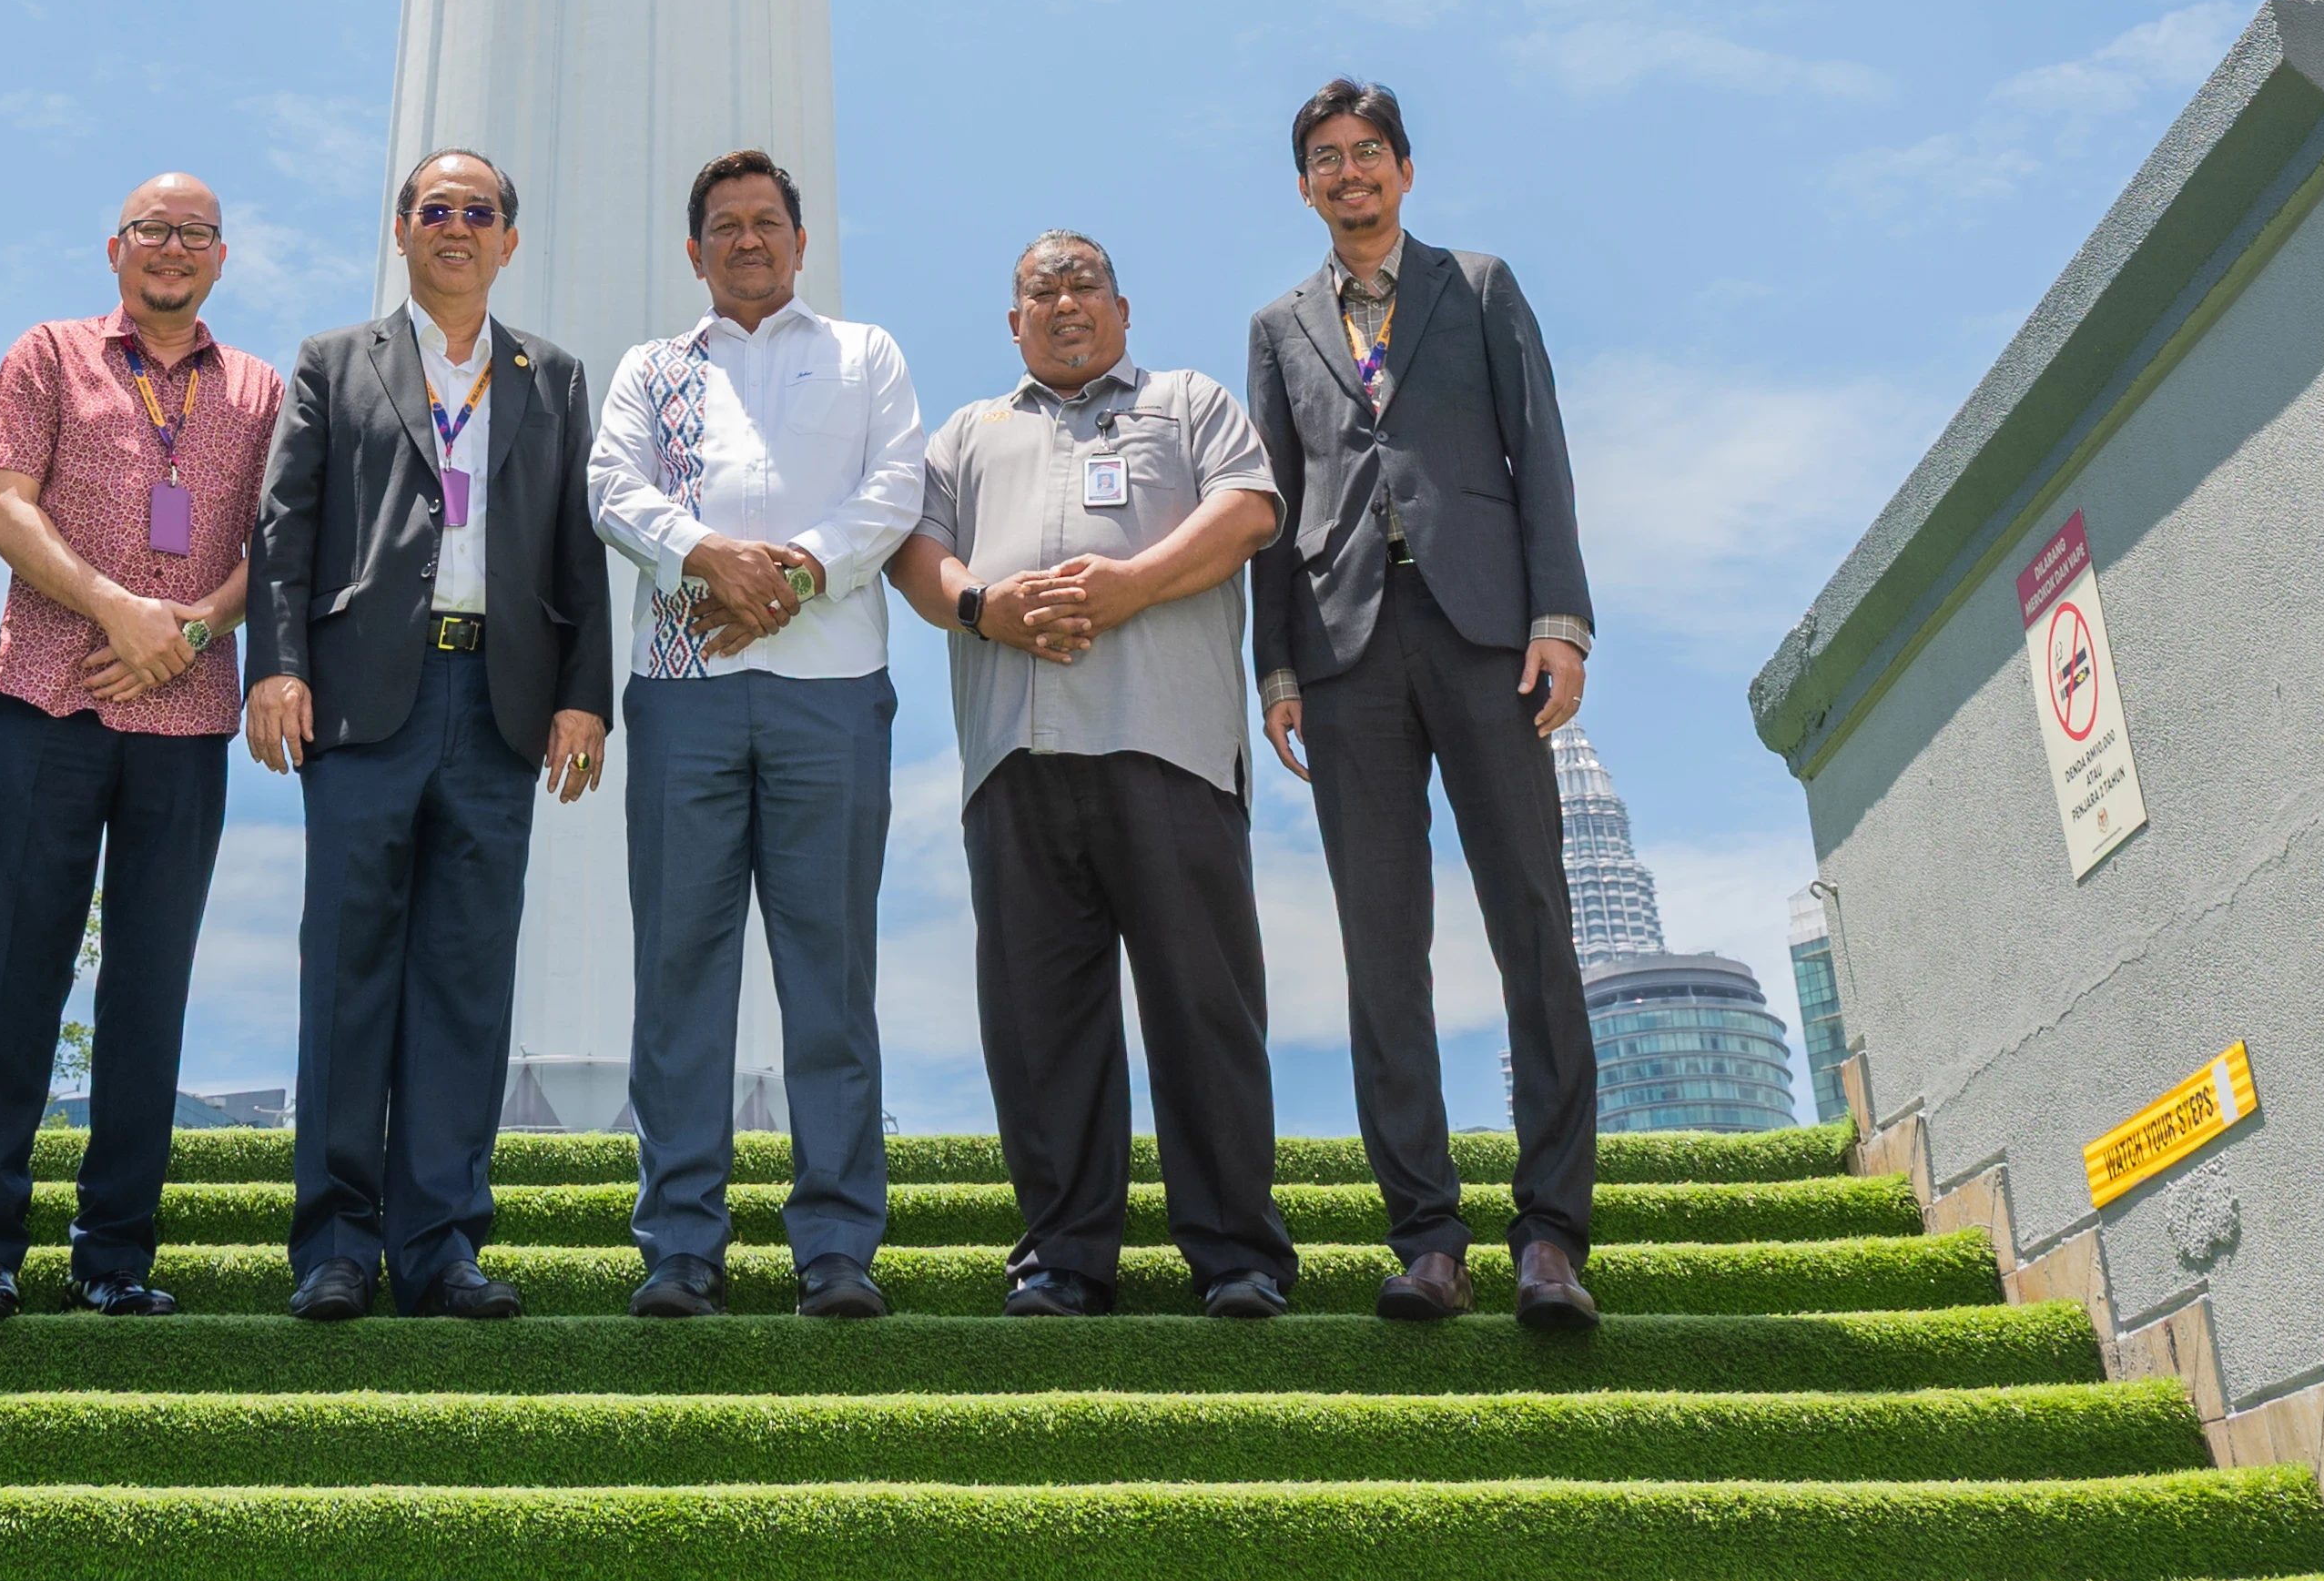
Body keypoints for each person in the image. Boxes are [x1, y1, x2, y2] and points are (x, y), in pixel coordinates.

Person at [1248, 77, 1600, 1332]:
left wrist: (1559, 616)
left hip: (1486, 633)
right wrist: (1273, 664)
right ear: (1303, 185)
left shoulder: (1483, 284)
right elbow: (1272, 505)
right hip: (1345, 651)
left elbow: (1536, 449)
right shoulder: (1278, 323)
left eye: (1368, 154)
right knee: (1380, 945)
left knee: (1530, 915)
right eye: (1325, 159)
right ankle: (1428, 1236)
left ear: (1403, 168)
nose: (1349, 174)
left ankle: (1551, 1232)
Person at [890, 236, 1296, 1320]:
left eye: (1083, 286)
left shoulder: (1188, 401)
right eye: (1040, 289)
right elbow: (916, 557)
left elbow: (1250, 510)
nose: (1064, 303)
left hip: (1167, 745)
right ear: (1012, 320)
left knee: (1202, 1004)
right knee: (1039, 1018)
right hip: (1017, 755)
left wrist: (1132, 585)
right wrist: (986, 605)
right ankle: (1066, 1255)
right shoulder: (969, 434)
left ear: (1123, 306)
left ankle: (1236, 1255)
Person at [246, 147, 612, 1319]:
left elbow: (578, 548)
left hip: (498, 707)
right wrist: (281, 668)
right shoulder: (334, 364)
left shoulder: (551, 378)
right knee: (350, 972)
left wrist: (583, 695)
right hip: (362, 705)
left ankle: (442, 1243)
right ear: (401, 230)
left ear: (509, 240)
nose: (458, 226)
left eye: (482, 211)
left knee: (464, 978)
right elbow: (283, 528)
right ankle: (339, 1245)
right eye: (436, 208)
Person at [0, 173, 284, 1319]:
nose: (172, 249)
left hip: (185, 717)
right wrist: (117, 611)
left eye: (194, 234)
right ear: (115, 248)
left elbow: (273, 551)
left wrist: (183, 630)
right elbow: (3, 508)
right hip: (49, 698)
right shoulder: (48, 354)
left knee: (151, 984)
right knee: (21, 969)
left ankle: (115, 1254)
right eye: (153, 231)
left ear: (222, 259)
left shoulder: (261, 389)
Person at [588, 149, 925, 1321]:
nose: (747, 241)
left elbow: (894, 494)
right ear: (694, 251)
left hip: (832, 688)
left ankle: (836, 1246)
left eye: (766, 222)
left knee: (829, 974)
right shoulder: (653, 368)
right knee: (680, 971)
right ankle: (681, 1244)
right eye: (724, 226)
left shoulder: (865, 354)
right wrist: (708, 560)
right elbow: (613, 490)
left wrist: (788, 574)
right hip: (681, 691)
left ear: (799, 239)